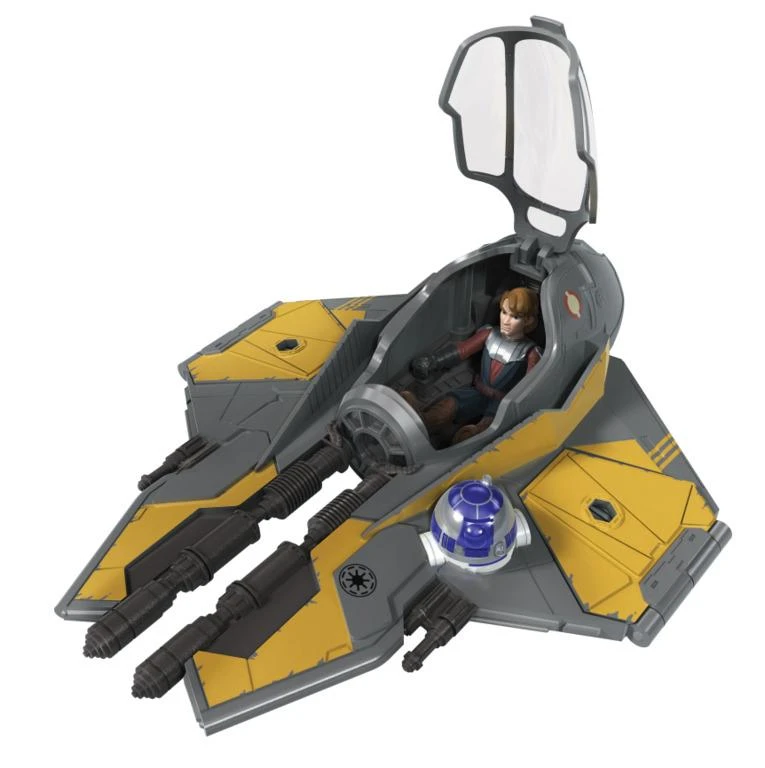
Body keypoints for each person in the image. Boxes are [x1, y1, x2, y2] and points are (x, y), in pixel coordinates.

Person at [402, 286, 542, 443]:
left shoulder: (530, 352)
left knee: (484, 429)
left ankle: (465, 441)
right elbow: (463, 350)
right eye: (504, 312)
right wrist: (434, 361)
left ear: (528, 320)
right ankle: (423, 421)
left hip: (502, 404)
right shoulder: (490, 334)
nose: (506, 321)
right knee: (448, 405)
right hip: (477, 391)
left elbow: (529, 388)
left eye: (515, 317)